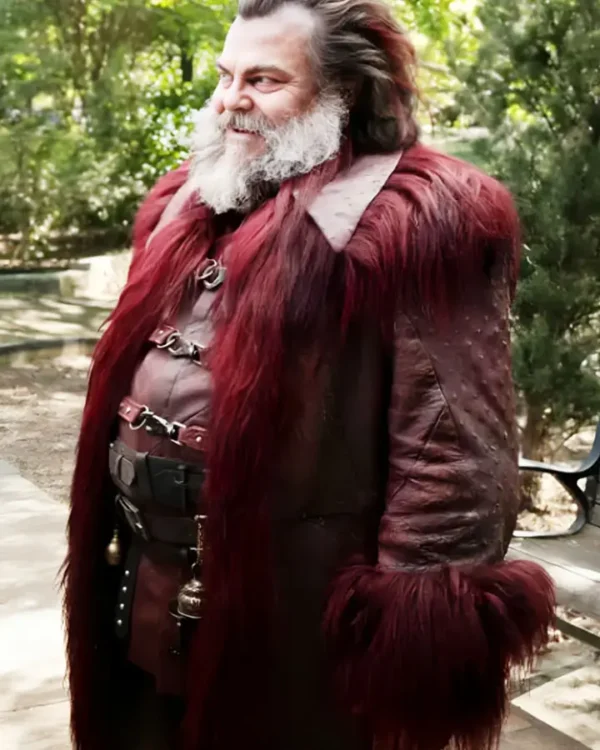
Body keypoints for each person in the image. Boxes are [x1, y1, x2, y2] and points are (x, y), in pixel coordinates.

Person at [62, 1, 555, 749]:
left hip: (295, 633)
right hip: (141, 591)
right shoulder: (184, 203)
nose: (230, 100)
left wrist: (403, 651)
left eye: (263, 80)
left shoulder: (420, 222)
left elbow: (450, 456)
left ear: (343, 93)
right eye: (226, 76)